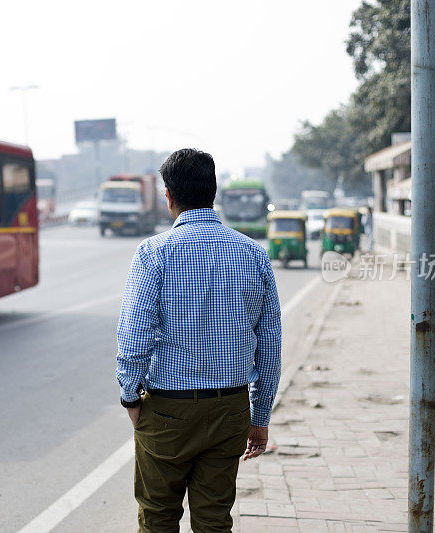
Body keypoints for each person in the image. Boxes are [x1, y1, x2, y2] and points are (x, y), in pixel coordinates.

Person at [116, 148, 282, 533]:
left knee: (157, 517)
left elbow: (133, 336)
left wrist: (129, 395)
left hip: (167, 411)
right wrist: (259, 417)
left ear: (169, 197)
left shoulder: (153, 253)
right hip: (230, 408)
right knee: (214, 521)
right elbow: (270, 345)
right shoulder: (253, 255)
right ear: (214, 192)